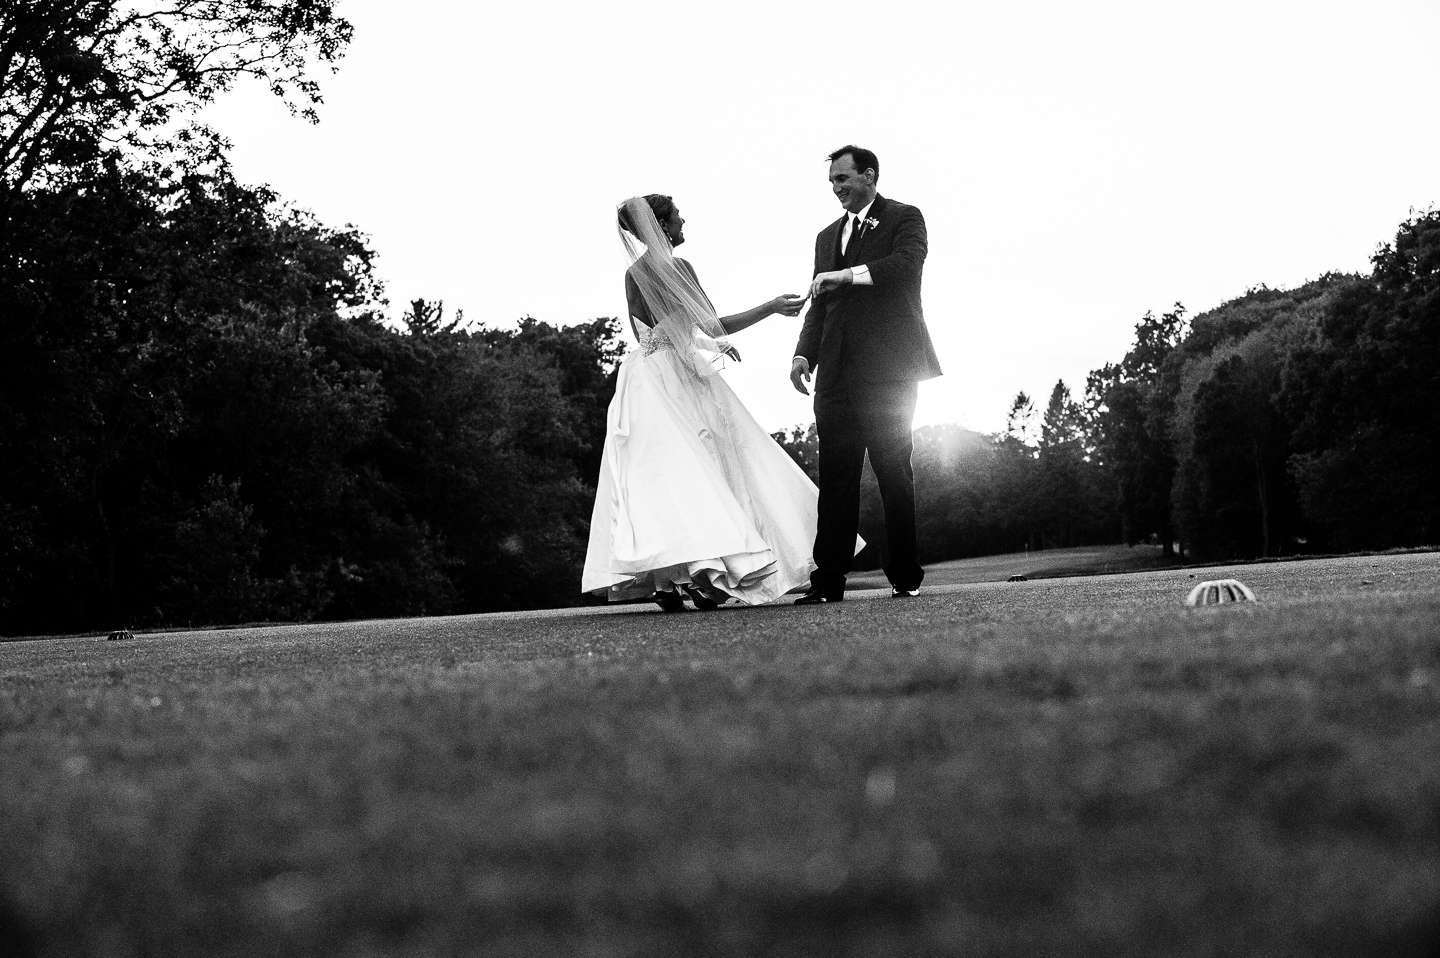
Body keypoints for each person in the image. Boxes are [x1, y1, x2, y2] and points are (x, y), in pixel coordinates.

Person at [582, 194, 838, 610]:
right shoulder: (680, 268)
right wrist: (770, 308)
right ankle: (706, 574)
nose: (685, 223)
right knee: (712, 467)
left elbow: (652, 332)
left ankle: (670, 578)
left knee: (669, 478)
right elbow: (712, 321)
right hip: (679, 378)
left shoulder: (633, 274)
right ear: (660, 226)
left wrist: (706, 343)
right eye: (678, 217)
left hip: (643, 379)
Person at [790, 146, 942, 604]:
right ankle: (828, 582)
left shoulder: (904, 218)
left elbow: (904, 268)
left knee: (894, 472)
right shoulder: (825, 237)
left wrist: (847, 276)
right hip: (834, 375)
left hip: (890, 371)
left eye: (843, 179)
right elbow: (819, 301)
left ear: (869, 176)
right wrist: (803, 354)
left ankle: (904, 575)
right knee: (835, 479)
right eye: (832, 183)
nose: (837, 189)